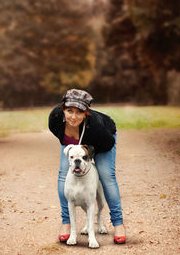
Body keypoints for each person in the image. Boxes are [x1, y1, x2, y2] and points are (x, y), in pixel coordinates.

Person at [48, 88, 126, 244]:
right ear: (63, 109)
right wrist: (74, 149)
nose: (73, 116)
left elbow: (108, 144)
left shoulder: (97, 128)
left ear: (86, 113)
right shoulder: (55, 118)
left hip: (102, 141)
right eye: (69, 111)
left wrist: (89, 158)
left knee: (106, 176)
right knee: (63, 173)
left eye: (79, 112)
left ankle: (118, 224)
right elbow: (61, 138)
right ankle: (66, 222)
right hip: (72, 143)